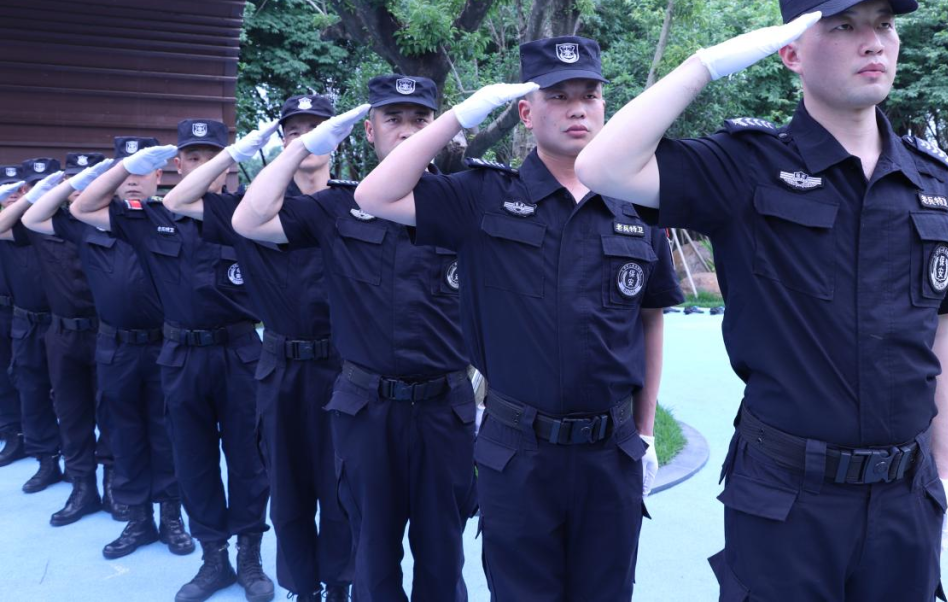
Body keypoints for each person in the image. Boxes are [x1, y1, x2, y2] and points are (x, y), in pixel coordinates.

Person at [574, 0, 948, 601]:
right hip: (786, 499)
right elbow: (601, 166)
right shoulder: (746, 166)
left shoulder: (930, 182)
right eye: (843, 25)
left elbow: (940, 333)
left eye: (883, 23)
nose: (872, 41)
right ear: (790, 52)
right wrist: (703, 65)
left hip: (905, 500)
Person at [354, 41, 683, 601]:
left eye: (589, 95)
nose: (577, 109)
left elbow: (650, 320)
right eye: (558, 96)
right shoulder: (484, 197)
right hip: (519, 452)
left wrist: (646, 431)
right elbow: (376, 194)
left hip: (611, 453)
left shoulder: (636, 207)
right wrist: (458, 118)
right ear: (527, 113)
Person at [231, 77, 476, 602]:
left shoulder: (466, 203)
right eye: (393, 119)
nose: (407, 132)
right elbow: (249, 220)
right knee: (371, 556)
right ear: (369, 131)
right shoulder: (336, 209)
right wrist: (301, 146)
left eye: (420, 120)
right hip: (368, 411)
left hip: (444, 410)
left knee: (443, 557)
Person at [72, 120, 273, 602]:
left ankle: (249, 556)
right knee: (193, 460)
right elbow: (82, 207)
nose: (204, 166)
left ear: (229, 164)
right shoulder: (151, 218)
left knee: (249, 460)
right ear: (177, 165)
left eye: (214, 157)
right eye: (194, 157)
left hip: (240, 352)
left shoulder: (249, 214)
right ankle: (213, 558)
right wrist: (126, 166)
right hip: (181, 356)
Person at [162, 95, 351, 602]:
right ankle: (302, 587)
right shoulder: (252, 209)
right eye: (295, 131)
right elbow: (177, 201)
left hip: (344, 367)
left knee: (340, 485)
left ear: (338, 138)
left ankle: (339, 584)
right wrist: (234, 153)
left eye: (318, 129)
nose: (306, 139)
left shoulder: (357, 203)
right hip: (280, 368)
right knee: (287, 489)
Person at [22, 137, 194, 560]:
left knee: (167, 435)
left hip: (164, 345)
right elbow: (34, 217)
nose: (133, 179)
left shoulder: (170, 217)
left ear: (159, 174)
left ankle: (171, 517)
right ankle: (138, 520)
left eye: (142, 169)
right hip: (115, 347)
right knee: (124, 435)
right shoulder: (89, 221)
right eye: (125, 170)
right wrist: (85, 178)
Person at [0, 153, 116, 525]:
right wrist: (41, 193)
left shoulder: (111, 222)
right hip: (62, 333)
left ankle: (112, 482)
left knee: (110, 412)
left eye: (88, 179)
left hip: (104, 332)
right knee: (71, 412)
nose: (80, 186)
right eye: (73, 179)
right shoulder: (43, 224)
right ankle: (82, 486)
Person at [0, 160, 63, 492]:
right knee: (32, 390)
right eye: (32, 186)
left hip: (64, 322)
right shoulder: (14, 225)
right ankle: (46, 458)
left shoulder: (65, 221)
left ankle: (83, 463)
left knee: (76, 397)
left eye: (45, 184)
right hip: (26, 321)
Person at [0, 165, 28, 467]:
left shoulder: (38, 223)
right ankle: (13, 433)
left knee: (33, 379)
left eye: (19, 188)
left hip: (34, 315)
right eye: (7, 189)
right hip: (3, 311)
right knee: (3, 377)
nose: (13, 195)